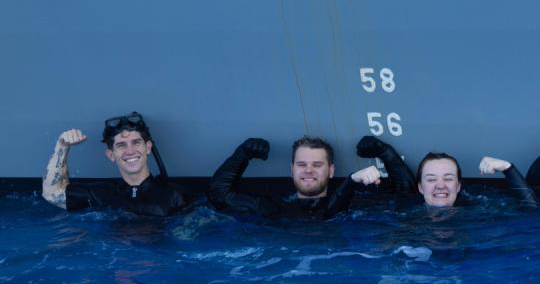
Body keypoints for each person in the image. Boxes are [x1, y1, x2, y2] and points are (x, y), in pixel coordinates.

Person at [41, 112, 194, 216]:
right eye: (121, 145)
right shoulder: (101, 194)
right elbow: (52, 194)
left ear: (148, 148)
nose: (130, 151)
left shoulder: (176, 196)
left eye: (136, 143)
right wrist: (62, 146)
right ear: (111, 155)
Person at [209, 136, 381, 219]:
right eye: (301, 165)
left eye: (317, 165)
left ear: (331, 170)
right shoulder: (274, 208)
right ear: (292, 170)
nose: (308, 170)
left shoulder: (357, 207)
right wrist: (242, 155)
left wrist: (385, 154)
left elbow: (326, 214)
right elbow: (220, 197)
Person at [356, 136, 536, 208]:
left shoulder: (478, 212)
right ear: (420, 187)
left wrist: (507, 168)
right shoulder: (406, 213)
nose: (440, 186)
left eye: (448, 178)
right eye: (431, 179)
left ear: (458, 186)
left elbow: (532, 213)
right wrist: (351, 179)